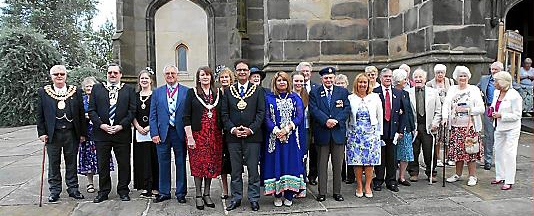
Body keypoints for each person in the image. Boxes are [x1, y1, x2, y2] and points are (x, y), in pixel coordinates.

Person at [37, 65, 86, 202]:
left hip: (71, 133)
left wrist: (82, 133)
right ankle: (54, 191)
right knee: (54, 163)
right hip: (53, 134)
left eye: (62, 74)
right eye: (56, 74)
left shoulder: (75, 91)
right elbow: (40, 114)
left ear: (66, 75)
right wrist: (41, 132)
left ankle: (73, 189)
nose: (59, 76)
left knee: (71, 163)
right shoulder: (44, 92)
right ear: (51, 76)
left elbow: (81, 113)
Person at [221, 59, 265, 212]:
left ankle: (253, 198)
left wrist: (250, 129)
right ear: (235, 72)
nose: (242, 72)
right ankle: (236, 198)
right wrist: (233, 129)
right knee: (235, 170)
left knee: (253, 170)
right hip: (233, 137)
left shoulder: (258, 90)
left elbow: (261, 113)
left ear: (249, 72)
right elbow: (224, 114)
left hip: (253, 136)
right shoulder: (228, 91)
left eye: (244, 70)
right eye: (239, 70)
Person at [89, 63, 136, 203]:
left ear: (120, 75)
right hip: (102, 134)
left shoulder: (128, 90)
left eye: (115, 73)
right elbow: (91, 110)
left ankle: (123, 190)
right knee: (102, 164)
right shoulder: (97, 89)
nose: (112, 75)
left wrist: (121, 126)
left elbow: (132, 111)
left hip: (121, 133)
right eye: (110, 72)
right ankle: (103, 191)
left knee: (124, 164)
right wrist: (101, 125)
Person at [262, 71, 306, 207]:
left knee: (290, 164)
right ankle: (277, 194)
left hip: (292, 138)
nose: (282, 82)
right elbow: (266, 117)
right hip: (274, 139)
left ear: (288, 83)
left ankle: (289, 194)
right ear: (274, 83)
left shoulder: (295, 98)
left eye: (284, 80)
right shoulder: (269, 98)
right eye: (279, 80)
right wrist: (276, 131)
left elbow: (300, 116)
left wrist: (287, 129)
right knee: (277, 163)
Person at [183, 66, 223, 210]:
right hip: (197, 135)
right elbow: (186, 117)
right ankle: (198, 195)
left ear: (211, 77)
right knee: (198, 165)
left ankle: (207, 193)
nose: (205, 77)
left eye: (207, 75)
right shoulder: (191, 93)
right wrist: (189, 137)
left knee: (210, 165)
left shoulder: (217, 93)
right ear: (198, 78)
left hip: (214, 136)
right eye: (202, 75)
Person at [309, 66, 350, 202]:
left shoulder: (342, 92)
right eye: (326, 78)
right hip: (322, 132)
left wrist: (336, 120)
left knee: (338, 165)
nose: (328, 80)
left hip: (338, 132)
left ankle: (337, 192)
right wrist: (325, 120)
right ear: (322, 79)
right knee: (322, 165)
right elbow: (313, 109)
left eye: (331, 78)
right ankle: (322, 192)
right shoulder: (315, 92)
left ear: (334, 78)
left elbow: (346, 108)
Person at [149, 65, 189, 203]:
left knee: (181, 162)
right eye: (167, 73)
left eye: (172, 73)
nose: (170, 75)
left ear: (177, 74)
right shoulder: (157, 92)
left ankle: (181, 192)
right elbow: (152, 115)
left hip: (179, 133)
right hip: (162, 133)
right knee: (163, 163)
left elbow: (188, 114)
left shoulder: (186, 91)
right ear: (164, 75)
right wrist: (154, 133)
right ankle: (164, 192)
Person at [444, 66, 485, 187]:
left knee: (470, 151)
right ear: (456, 77)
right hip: (456, 126)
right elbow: (446, 104)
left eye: (465, 76)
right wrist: (445, 117)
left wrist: (469, 109)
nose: (462, 78)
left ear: (468, 77)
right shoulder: (452, 89)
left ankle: (472, 176)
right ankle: (458, 174)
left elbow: (481, 108)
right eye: (460, 76)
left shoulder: (474, 90)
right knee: (457, 151)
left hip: (470, 127)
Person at [346, 73, 383, 198]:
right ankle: (359, 186)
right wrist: (347, 133)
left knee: (369, 162)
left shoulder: (375, 97)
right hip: (355, 134)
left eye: (365, 82)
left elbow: (379, 116)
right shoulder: (351, 98)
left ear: (368, 84)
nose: (362, 84)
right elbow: (347, 118)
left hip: (371, 134)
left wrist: (379, 133)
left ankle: (368, 186)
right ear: (356, 84)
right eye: (360, 82)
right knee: (357, 162)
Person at [78, 77, 114, 194]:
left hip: (100, 132)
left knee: (101, 159)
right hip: (87, 133)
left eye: (92, 86)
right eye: (87, 86)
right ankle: (90, 183)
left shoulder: (101, 99)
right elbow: (76, 114)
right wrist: (85, 116)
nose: (89, 88)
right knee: (88, 160)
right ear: (84, 88)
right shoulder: (81, 100)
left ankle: (103, 184)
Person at [372, 68, 405, 192]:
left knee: (392, 158)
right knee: (380, 157)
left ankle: (391, 181)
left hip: (393, 130)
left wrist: (401, 130)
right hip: (379, 130)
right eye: (385, 76)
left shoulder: (398, 93)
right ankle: (378, 180)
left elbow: (403, 113)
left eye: (390, 76)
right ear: (380, 78)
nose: (388, 79)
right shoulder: (374, 92)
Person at [407, 69, 442, 183]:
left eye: (420, 77)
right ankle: (413, 172)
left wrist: (435, 123)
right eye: (416, 77)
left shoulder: (433, 92)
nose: (418, 79)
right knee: (414, 151)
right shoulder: (408, 92)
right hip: (414, 126)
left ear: (425, 79)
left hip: (429, 126)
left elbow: (438, 110)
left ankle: (431, 172)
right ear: (413, 79)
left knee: (429, 151)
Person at [490, 71, 522, 190]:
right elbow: (494, 106)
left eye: (496, 81)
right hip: (499, 126)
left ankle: (509, 180)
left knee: (509, 153)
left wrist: (501, 115)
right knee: (498, 150)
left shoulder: (514, 95)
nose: (494, 83)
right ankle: (500, 175)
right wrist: (491, 111)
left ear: (502, 82)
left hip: (512, 128)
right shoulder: (496, 92)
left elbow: (517, 115)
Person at [132, 70, 158, 198]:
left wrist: (149, 127)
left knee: (153, 158)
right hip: (138, 132)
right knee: (142, 159)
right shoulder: (135, 96)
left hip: (152, 131)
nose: (144, 80)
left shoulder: (156, 95)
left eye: (146, 78)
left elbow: (158, 113)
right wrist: (137, 127)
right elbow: (132, 113)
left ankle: (154, 187)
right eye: (142, 78)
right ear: (139, 80)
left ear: (151, 80)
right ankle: (144, 186)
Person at [426, 64, 455, 166]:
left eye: (442, 72)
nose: (440, 74)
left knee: (448, 136)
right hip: (436, 112)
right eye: (438, 72)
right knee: (437, 137)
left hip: (448, 112)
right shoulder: (429, 84)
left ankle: (448, 157)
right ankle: (437, 158)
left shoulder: (450, 82)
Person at [296, 61, 320, 185]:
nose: (305, 73)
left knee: (314, 152)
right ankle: (302, 174)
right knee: (302, 151)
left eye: (307, 71)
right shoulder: (294, 88)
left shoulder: (317, 87)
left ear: (311, 73)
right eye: (303, 71)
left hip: (314, 125)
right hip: (301, 125)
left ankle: (312, 176)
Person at [477, 61, 503, 171]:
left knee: (501, 135)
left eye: (495, 70)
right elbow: (476, 89)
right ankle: (488, 160)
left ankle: (501, 160)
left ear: (501, 70)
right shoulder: (484, 79)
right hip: (488, 109)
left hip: (501, 110)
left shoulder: (506, 79)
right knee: (488, 135)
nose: (493, 71)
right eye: (492, 69)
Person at [391, 69, 415, 187]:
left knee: (405, 153)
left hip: (405, 127)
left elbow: (408, 111)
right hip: (393, 127)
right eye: (404, 79)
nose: (406, 81)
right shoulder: (391, 92)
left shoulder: (405, 93)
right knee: (393, 153)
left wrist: (412, 126)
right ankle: (391, 176)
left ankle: (401, 176)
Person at [291, 71, 309, 198]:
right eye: (296, 81)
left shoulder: (306, 95)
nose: (298, 83)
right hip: (291, 130)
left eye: (300, 81)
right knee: (293, 158)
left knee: (302, 157)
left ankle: (301, 187)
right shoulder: (288, 95)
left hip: (304, 130)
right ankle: (292, 186)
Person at [334, 73, 355, 184]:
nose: (341, 85)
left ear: (347, 84)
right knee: (340, 153)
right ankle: (342, 174)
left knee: (350, 152)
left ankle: (351, 176)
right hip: (339, 128)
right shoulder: (334, 96)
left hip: (351, 127)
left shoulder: (351, 96)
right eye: (338, 83)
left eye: (342, 83)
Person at [217, 67, 234, 200]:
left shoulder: (234, 92)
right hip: (219, 132)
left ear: (231, 79)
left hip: (232, 131)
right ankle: (225, 190)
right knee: (222, 162)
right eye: (222, 77)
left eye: (226, 77)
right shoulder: (216, 94)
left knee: (233, 161)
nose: (224, 79)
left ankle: (235, 188)